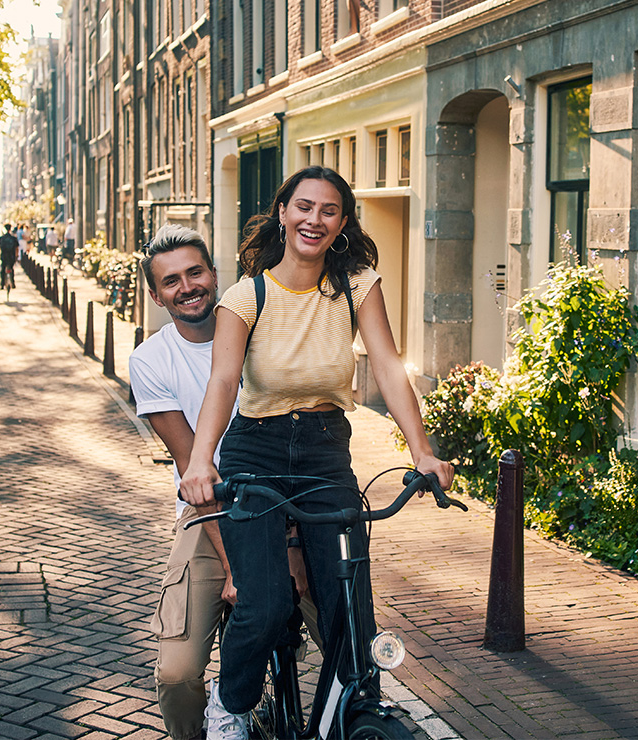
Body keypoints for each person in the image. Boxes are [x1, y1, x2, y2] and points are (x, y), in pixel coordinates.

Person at [179, 166, 455, 740]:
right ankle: (229, 708)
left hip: (327, 455)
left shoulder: (357, 284)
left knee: (350, 605)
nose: (314, 219)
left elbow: (386, 364)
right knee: (267, 601)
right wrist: (202, 460)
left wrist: (422, 451)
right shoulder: (245, 295)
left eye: (329, 211)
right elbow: (223, 382)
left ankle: (351, 715)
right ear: (282, 213)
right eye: (303, 207)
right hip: (256, 452)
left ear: (343, 223)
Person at [130, 224, 315, 740]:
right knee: (177, 673)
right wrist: (239, 570)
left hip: (288, 501)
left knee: (351, 638)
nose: (187, 287)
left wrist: (294, 549)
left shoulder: (265, 337)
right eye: (171, 281)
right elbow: (196, 468)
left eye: (195, 272)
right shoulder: (151, 361)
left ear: (214, 275)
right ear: (155, 294)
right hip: (212, 515)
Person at [0, 223, 19, 289]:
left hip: (4, 256)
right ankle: (13, 283)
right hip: (11, 256)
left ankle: (2, 284)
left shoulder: (2, 238)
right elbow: (16, 248)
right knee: (11, 269)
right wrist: (16, 256)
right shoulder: (13, 238)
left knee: (3, 270)